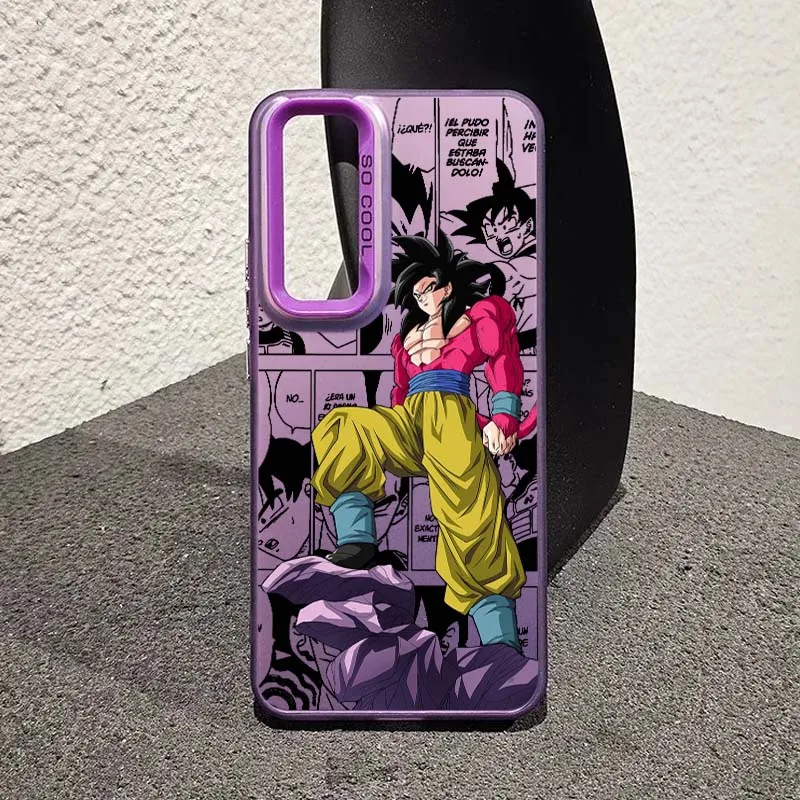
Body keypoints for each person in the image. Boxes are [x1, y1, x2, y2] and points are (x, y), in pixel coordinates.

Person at [310, 233, 527, 652]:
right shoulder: (406, 337)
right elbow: (399, 392)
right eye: (416, 293)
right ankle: (357, 540)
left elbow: (503, 359)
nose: (422, 297)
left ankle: (500, 641)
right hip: (410, 420)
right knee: (346, 425)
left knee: (470, 518)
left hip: (452, 419)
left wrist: (503, 417)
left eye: (428, 288)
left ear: (447, 286)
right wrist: (392, 428)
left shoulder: (478, 316)